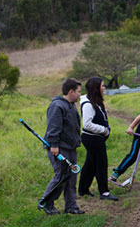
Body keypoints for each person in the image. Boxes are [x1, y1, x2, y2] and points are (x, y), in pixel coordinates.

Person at [39, 78, 84, 215]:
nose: (79, 95)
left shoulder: (71, 105)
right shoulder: (57, 106)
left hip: (70, 147)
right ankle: (46, 203)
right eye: (78, 92)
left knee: (71, 176)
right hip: (59, 148)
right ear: (70, 91)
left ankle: (71, 206)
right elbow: (54, 127)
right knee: (61, 176)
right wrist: (54, 145)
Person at [78, 77, 118, 201]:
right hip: (92, 139)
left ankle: (83, 189)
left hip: (95, 138)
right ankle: (104, 192)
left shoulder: (95, 102)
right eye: (102, 85)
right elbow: (87, 124)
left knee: (90, 164)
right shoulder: (88, 104)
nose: (104, 87)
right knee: (101, 164)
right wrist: (104, 130)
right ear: (96, 88)